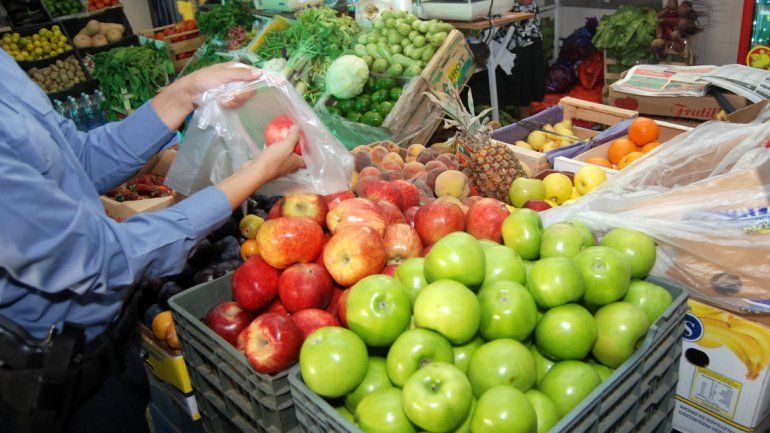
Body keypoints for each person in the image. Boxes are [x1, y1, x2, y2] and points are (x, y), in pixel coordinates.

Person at [0, 49, 304, 432]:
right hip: (51, 386)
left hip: (109, 347)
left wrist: (185, 92)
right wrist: (253, 175)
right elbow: (99, 258)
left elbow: (79, 159)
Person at [468, 0, 546, 119]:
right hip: (499, 31)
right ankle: (512, 117)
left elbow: (526, 1)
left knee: (523, 81)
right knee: (505, 81)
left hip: (524, 34)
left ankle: (524, 120)